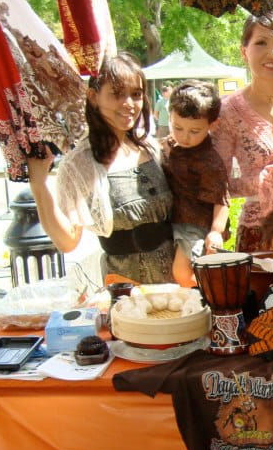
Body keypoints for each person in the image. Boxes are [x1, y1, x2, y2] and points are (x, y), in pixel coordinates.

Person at [28, 52, 174, 284]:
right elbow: (67, 242)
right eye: (116, 94)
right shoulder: (80, 164)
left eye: (135, 95)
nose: (129, 104)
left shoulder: (152, 148)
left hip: (177, 289)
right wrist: (39, 186)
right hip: (127, 293)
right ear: (93, 97)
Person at [213, 12, 273, 253]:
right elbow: (220, 186)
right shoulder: (228, 111)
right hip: (258, 236)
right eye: (261, 43)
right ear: (243, 51)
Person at [161, 80, 230, 287]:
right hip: (171, 219)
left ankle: (215, 290)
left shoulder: (209, 160)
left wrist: (216, 231)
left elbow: (222, 199)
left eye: (194, 131)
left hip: (194, 223)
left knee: (182, 273)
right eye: (178, 127)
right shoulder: (169, 144)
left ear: (212, 125)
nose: (185, 137)